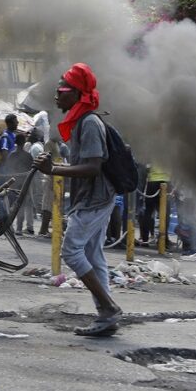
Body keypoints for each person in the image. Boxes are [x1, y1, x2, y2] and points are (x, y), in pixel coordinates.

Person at [33, 62, 122, 337]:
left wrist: (54, 169)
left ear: (77, 93)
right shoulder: (82, 121)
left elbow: (94, 167)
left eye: (62, 89)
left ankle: (108, 307)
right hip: (91, 197)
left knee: (72, 251)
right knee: (94, 258)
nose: (56, 95)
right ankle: (107, 316)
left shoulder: (90, 123)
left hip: (95, 199)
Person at [139, 165, 171, 247]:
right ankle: (163, 241)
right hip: (165, 181)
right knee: (164, 213)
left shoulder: (153, 152)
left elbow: (146, 166)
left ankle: (144, 239)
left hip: (152, 181)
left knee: (148, 212)